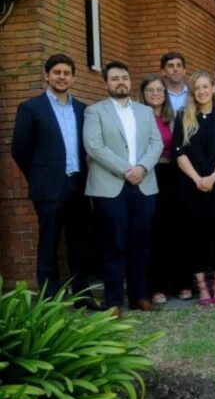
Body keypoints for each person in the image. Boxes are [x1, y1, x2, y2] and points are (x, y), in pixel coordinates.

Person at [83, 61, 163, 316]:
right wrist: (126, 170)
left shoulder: (145, 111)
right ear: (106, 83)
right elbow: (94, 145)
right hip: (110, 187)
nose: (121, 82)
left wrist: (142, 167)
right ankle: (114, 301)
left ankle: (139, 295)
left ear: (130, 81)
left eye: (125, 78)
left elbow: (157, 144)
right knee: (113, 245)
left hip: (143, 184)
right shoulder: (94, 111)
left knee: (141, 243)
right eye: (115, 78)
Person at [11, 54, 92, 302]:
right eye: (57, 72)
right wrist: (39, 176)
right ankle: (49, 299)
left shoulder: (82, 109)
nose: (62, 77)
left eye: (67, 73)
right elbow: (20, 150)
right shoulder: (31, 108)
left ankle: (82, 295)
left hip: (78, 185)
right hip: (48, 189)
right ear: (47, 75)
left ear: (73, 78)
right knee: (49, 244)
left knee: (79, 243)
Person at [173, 70, 215, 307]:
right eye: (197, 88)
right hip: (191, 186)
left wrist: (214, 177)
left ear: (213, 88)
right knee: (194, 235)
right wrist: (198, 179)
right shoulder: (183, 117)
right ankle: (202, 287)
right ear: (192, 92)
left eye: (205, 86)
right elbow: (179, 152)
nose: (202, 91)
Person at [139, 75, 191, 303]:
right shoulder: (137, 117)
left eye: (159, 90)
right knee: (153, 231)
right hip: (149, 175)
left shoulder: (175, 117)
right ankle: (156, 286)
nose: (155, 94)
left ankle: (181, 283)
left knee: (177, 230)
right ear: (143, 94)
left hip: (174, 175)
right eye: (150, 90)